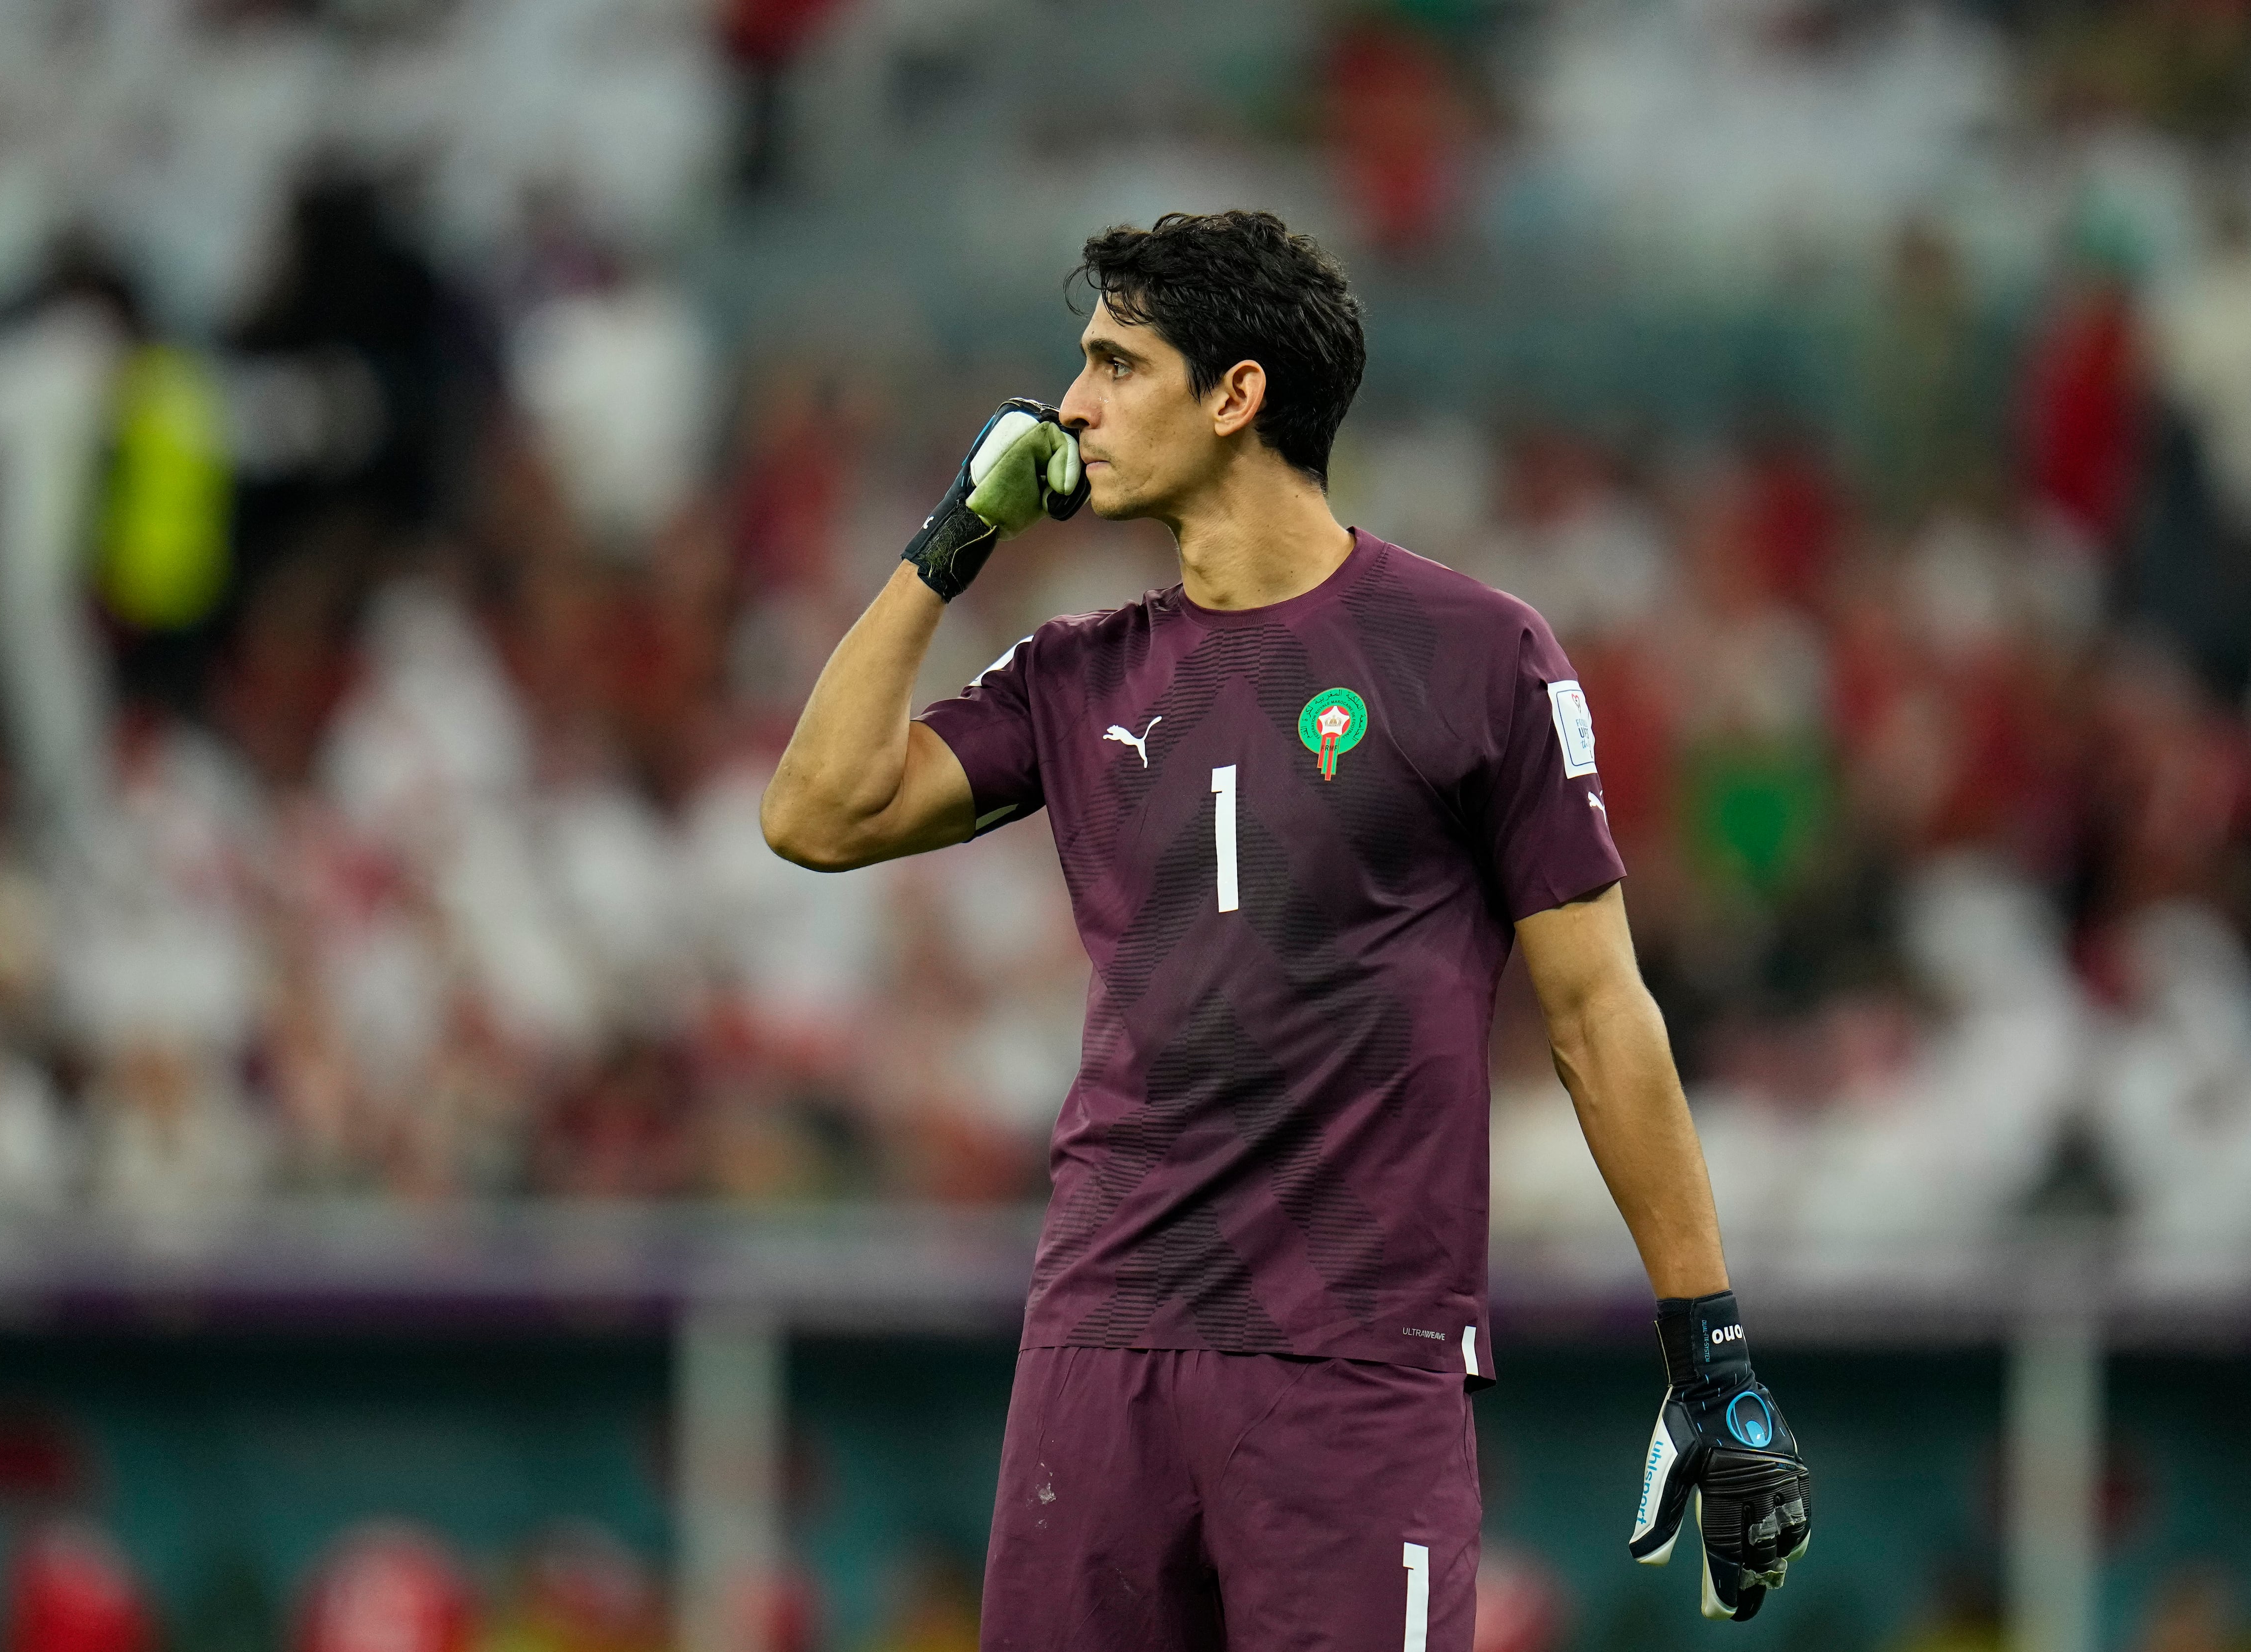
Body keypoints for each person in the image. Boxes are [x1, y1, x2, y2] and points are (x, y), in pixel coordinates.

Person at [760, 209, 1810, 1647]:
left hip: (1355, 1358)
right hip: (1102, 1342)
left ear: (1236, 395)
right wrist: (955, 539)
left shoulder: (1476, 655)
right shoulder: (1077, 674)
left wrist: (1713, 1352)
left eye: (1117, 365)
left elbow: (1598, 1014)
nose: (1068, 409)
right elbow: (817, 812)